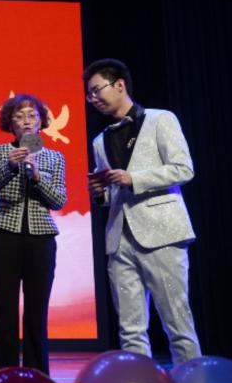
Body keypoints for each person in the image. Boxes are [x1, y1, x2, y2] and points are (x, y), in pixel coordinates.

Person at [85, 58, 202, 364]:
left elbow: (183, 169)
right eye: (89, 95)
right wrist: (100, 193)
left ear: (119, 85)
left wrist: (134, 178)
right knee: (130, 328)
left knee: (177, 321)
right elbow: (112, 193)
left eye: (96, 90)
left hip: (162, 232)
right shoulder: (100, 140)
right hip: (119, 237)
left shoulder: (161, 119)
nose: (93, 98)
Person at [0, 94, 67, 375]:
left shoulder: (54, 157)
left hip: (41, 240)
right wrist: (9, 165)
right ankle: (4, 376)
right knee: (5, 312)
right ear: (10, 124)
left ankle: (37, 376)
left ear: (41, 122)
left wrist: (37, 176)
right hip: (5, 237)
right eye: (19, 116)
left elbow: (58, 201)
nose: (26, 121)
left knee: (36, 312)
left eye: (32, 115)